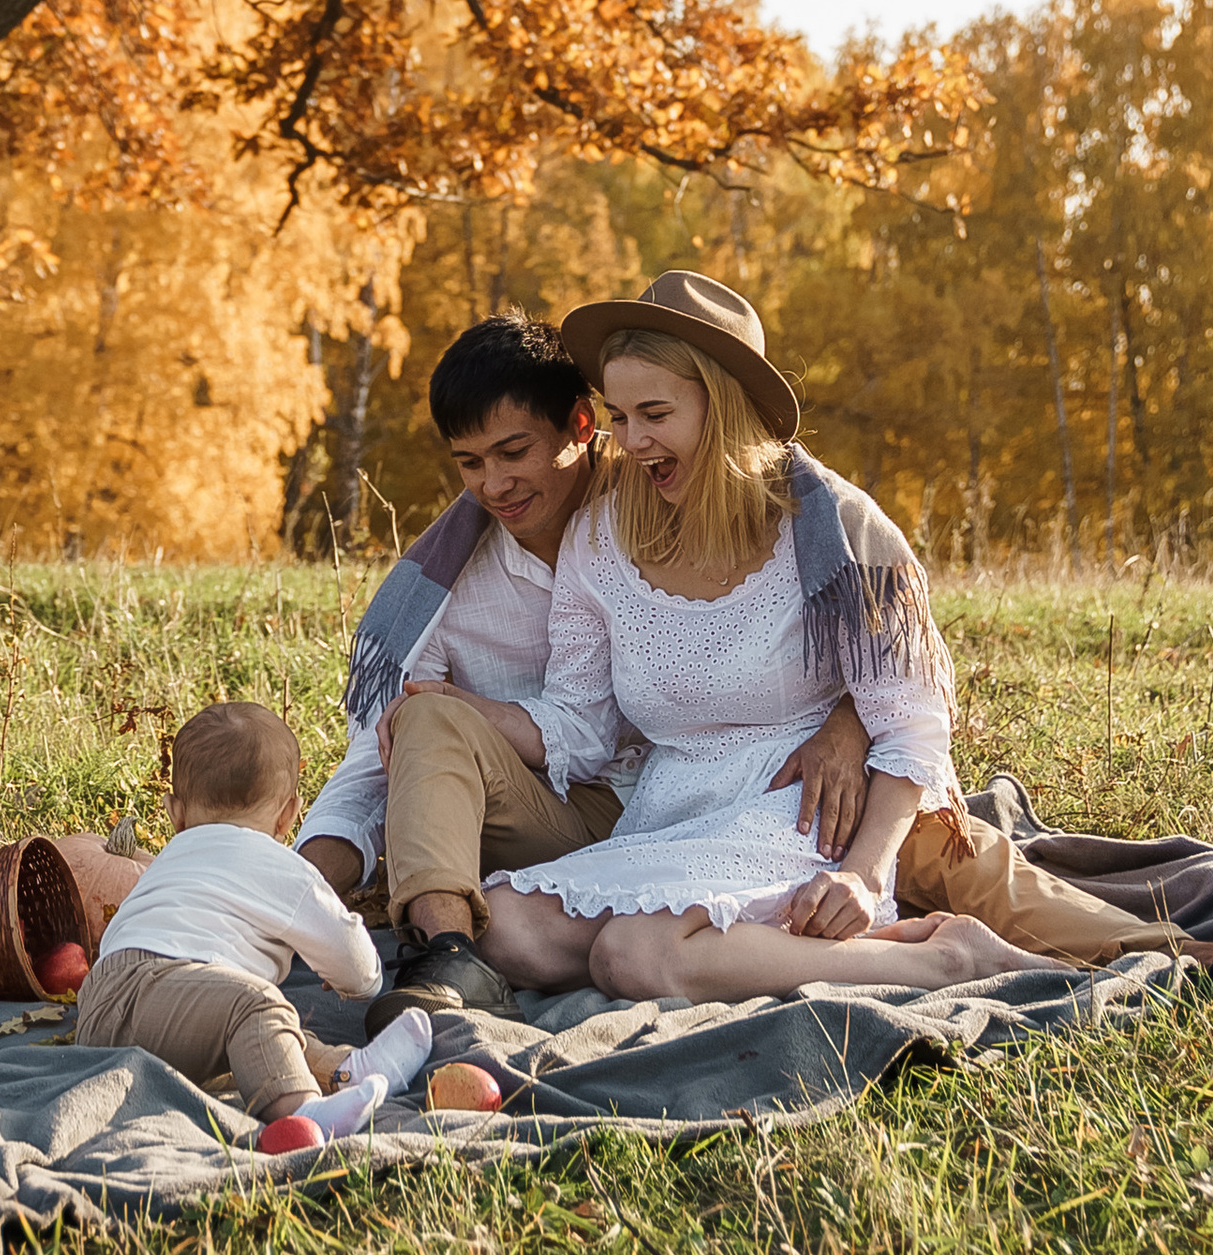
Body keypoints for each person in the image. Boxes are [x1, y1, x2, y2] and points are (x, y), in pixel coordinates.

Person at [452, 276, 1213, 1007]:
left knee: (635, 953)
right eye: (618, 418)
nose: (631, 442)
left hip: (802, 811)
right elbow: (578, 720)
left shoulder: (839, 531)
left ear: (725, 407)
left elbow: (912, 730)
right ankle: (905, 951)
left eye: (655, 414)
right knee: (515, 933)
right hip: (676, 813)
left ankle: (976, 958)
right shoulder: (600, 536)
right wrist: (455, 723)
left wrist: (865, 868)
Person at [295, 309, 877, 1033]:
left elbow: (847, 635)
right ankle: (446, 959)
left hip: (704, 793)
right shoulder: (447, 587)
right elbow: (370, 770)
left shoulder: (669, 499)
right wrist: (285, 896)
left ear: (579, 426)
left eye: (514, 453)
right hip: (558, 817)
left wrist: (850, 724)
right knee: (426, 713)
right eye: (470, 463)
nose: (495, 485)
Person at [71, 700, 438, 1143]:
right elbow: (356, 962)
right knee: (256, 1004)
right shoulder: (284, 868)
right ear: (290, 813)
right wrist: (356, 982)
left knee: (263, 1031)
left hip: (102, 1000)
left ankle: (346, 1071)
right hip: (157, 987)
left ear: (175, 812)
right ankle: (302, 1115)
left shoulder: (169, 858)